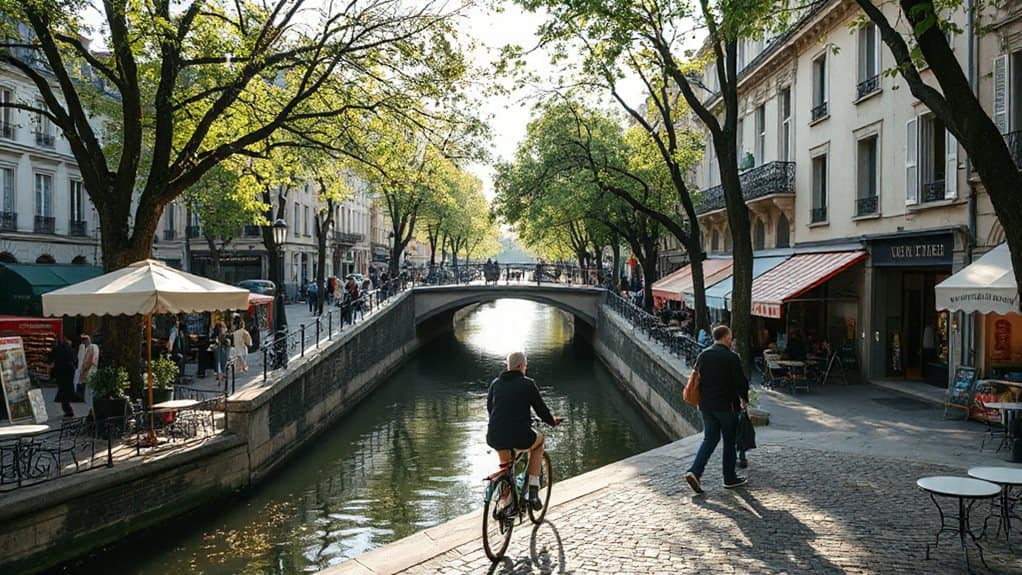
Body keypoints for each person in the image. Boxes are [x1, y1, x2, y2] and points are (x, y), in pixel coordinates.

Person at [486, 351, 560, 511]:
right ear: (520, 366)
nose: (525, 369)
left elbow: (490, 409)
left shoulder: (495, 383)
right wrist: (552, 421)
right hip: (520, 436)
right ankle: (533, 489)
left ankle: (506, 504)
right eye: (525, 366)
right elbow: (541, 410)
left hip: (495, 436)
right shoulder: (527, 383)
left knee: (505, 467)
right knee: (539, 442)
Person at [685, 325, 750, 493]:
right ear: (726, 337)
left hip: (706, 406)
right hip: (726, 406)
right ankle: (729, 478)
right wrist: (744, 399)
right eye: (730, 336)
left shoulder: (703, 355)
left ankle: (695, 471)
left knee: (709, 438)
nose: (731, 339)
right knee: (729, 441)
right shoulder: (731, 357)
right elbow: (740, 382)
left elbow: (697, 377)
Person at [49, 335, 76, 417]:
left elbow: (51, 359)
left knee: (62, 390)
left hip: (60, 373)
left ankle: (67, 409)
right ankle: (68, 408)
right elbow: (74, 360)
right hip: (69, 373)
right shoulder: (70, 350)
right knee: (66, 391)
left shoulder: (56, 349)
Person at [211, 319, 230, 384]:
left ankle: (219, 376)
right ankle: (220, 376)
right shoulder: (222, 335)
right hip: (221, 350)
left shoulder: (217, 335)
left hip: (219, 349)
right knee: (221, 363)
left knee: (219, 363)